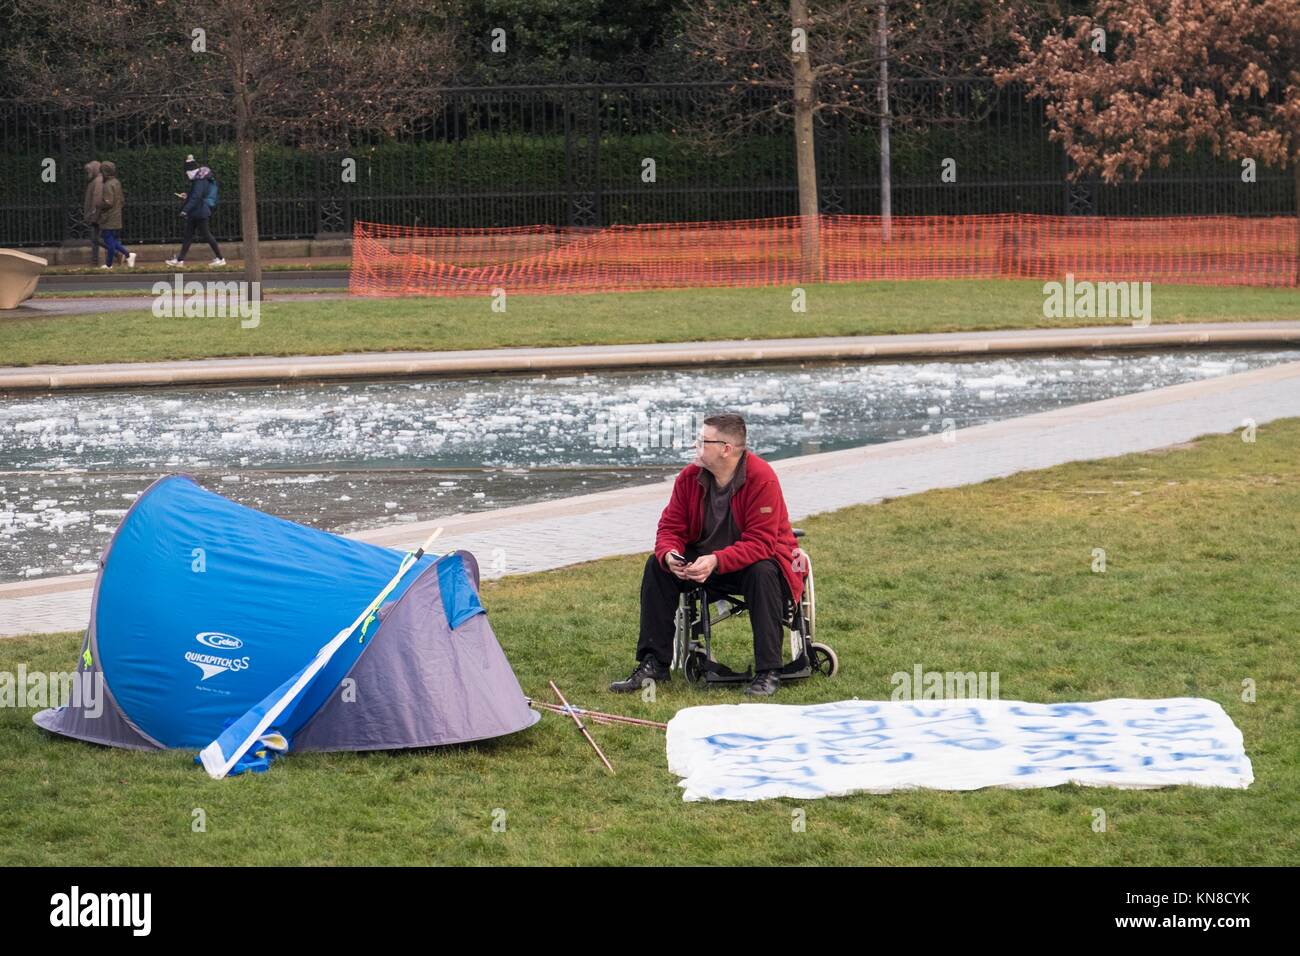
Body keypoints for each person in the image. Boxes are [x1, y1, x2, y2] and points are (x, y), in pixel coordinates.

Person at [610, 413, 804, 697]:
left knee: (761, 570)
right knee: (656, 566)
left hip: (752, 566)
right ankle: (654, 664)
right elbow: (670, 527)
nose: (695, 445)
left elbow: (761, 543)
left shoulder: (762, 478)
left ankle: (768, 671)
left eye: (703, 440)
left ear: (726, 449)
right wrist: (670, 555)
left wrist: (717, 560)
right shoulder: (690, 477)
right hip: (704, 563)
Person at [165, 156, 226, 267]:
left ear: (191, 171)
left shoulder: (199, 181)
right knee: (189, 236)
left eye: (187, 172)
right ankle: (180, 260)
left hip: (199, 212)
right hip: (197, 212)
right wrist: (187, 196)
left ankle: (221, 258)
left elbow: (196, 197)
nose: (187, 175)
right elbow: (196, 196)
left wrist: (185, 210)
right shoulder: (200, 179)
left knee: (206, 235)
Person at [96, 161, 136, 270]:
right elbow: (121, 200)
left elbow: (108, 202)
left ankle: (109, 264)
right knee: (111, 240)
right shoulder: (116, 182)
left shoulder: (107, 185)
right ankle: (128, 255)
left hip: (109, 217)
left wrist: (99, 205)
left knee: (108, 241)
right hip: (116, 215)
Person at [83, 160, 103, 265]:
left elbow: (97, 199)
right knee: (96, 239)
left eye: (90, 170)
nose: (88, 173)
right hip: (96, 215)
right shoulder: (96, 180)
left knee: (96, 239)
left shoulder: (98, 181)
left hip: (96, 215)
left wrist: (93, 214)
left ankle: (118, 253)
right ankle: (94, 260)